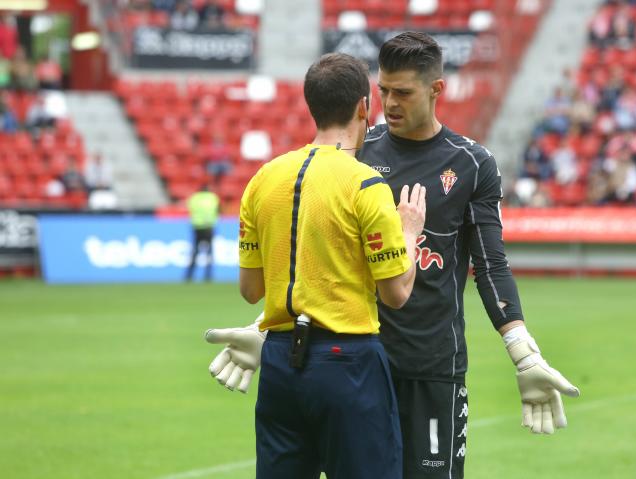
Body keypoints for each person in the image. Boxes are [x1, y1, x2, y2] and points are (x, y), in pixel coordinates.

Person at [207, 33, 578, 479]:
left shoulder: (472, 164)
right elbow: (315, 250)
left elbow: (490, 264)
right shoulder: (359, 149)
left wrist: (524, 353)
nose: (390, 103)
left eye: (403, 92)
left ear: (436, 90)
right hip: (357, 361)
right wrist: (266, 329)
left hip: (429, 367)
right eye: (383, 90)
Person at [206, 53, 426, 479]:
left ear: (312, 106)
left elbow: (251, 290)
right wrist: (410, 232)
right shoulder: (365, 183)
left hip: (279, 365)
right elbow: (396, 294)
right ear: (364, 107)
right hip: (349, 362)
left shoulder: (263, 179)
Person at [184, 184, 219, 282]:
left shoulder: (194, 198)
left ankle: (189, 276)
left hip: (197, 227)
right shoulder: (213, 198)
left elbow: (190, 210)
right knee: (209, 253)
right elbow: (217, 210)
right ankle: (208, 276)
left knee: (195, 252)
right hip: (209, 227)